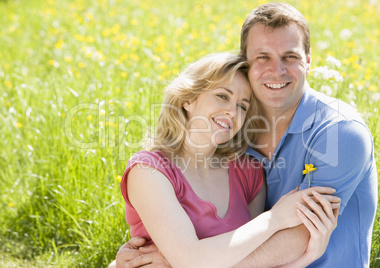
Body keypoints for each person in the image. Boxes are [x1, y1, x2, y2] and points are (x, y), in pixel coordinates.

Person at [113, 2, 378, 267]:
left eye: (290, 56)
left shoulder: (340, 133)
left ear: (308, 61)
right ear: (246, 61)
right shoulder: (236, 141)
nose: (277, 69)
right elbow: (243, 239)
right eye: (263, 57)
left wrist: (176, 262)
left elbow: (300, 236)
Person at [111, 52, 340, 268]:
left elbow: (257, 259)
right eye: (222, 96)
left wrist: (308, 256)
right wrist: (275, 218)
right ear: (188, 99)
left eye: (242, 106)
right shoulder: (149, 171)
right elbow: (191, 260)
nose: (232, 112)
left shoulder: (248, 172)